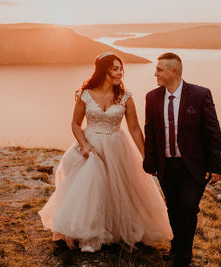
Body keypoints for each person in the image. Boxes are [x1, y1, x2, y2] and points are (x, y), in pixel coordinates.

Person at [38, 52, 173, 253]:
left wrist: (146, 156)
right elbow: (75, 124)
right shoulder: (85, 94)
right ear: (104, 70)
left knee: (118, 188)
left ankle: (115, 229)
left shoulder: (125, 97)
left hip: (117, 146)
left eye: (121, 69)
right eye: (115, 69)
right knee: (92, 187)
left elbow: (135, 128)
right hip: (90, 145)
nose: (120, 73)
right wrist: (84, 145)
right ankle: (89, 234)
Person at [143, 52, 221, 267]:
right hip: (165, 166)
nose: (155, 73)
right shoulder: (151, 97)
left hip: (192, 167)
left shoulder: (200, 94)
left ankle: (183, 258)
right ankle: (176, 246)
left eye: (159, 70)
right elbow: (149, 131)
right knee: (173, 208)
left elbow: (213, 132)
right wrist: (149, 162)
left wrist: (215, 166)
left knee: (188, 209)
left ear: (173, 71)